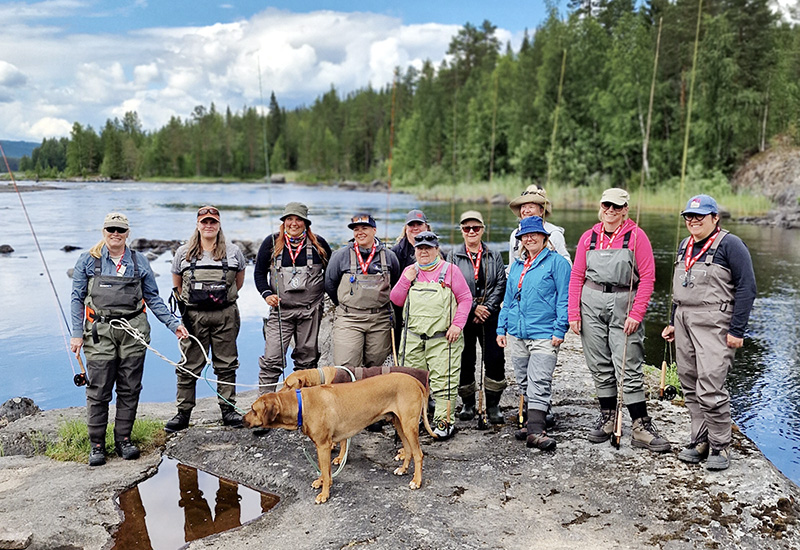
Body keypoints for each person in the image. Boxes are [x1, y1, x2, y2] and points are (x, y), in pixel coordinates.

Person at [70, 212, 188, 466]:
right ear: (104, 231)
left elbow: (153, 298)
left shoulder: (140, 261)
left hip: (134, 332)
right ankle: (97, 445)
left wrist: (173, 325)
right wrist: (76, 334)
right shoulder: (87, 261)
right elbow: (77, 299)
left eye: (120, 230)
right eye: (111, 229)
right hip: (98, 333)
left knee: (129, 388)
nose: (116, 234)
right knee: (98, 390)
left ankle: (124, 439)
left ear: (127, 233)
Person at [568, 188, 670, 453]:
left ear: (625, 209)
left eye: (616, 207)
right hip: (591, 302)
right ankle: (607, 417)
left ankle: (640, 425)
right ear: (600, 207)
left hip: (625, 303)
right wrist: (573, 313)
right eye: (606, 205)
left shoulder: (637, 237)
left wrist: (637, 313)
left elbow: (647, 278)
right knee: (599, 364)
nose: (610, 211)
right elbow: (577, 275)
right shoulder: (588, 238)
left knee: (628, 364)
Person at [661, 195, 756, 471]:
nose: (693, 221)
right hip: (684, 320)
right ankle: (699, 439)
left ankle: (720, 445)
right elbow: (679, 290)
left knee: (711, 385)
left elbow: (747, 288)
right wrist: (671, 322)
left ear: (715, 218)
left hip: (716, 322)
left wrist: (737, 330)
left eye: (700, 216)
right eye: (689, 217)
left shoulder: (731, 245)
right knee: (689, 383)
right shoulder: (684, 245)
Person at [166, 206, 247, 433]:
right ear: (198, 225)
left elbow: (238, 282)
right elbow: (177, 284)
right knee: (188, 366)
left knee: (227, 364)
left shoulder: (233, 252)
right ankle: (183, 413)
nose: (208, 226)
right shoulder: (183, 253)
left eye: (213, 222)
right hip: (193, 317)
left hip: (226, 315)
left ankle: (228, 409)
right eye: (204, 222)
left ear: (219, 224)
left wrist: (220, 300)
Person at [496, 217, 571, 449]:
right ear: (520, 240)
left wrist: (560, 328)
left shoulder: (558, 263)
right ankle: (532, 423)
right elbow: (508, 300)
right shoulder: (517, 266)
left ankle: (536, 432)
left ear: (544, 237)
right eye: (525, 236)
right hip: (518, 333)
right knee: (524, 380)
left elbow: (564, 299)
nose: (529, 238)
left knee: (539, 380)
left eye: (534, 234)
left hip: (544, 333)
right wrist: (501, 327)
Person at [390, 231, 472, 440]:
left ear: (436, 250)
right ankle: (412, 421)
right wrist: (405, 280)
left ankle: (444, 424)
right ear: (415, 250)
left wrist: (457, 325)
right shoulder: (410, 271)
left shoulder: (450, 271)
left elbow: (465, 299)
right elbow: (396, 300)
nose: (424, 251)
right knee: (410, 382)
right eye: (420, 248)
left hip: (443, 338)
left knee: (444, 382)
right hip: (414, 338)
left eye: (428, 247)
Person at [254, 202, 331, 394]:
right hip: (281, 311)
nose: (294, 223)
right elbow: (259, 274)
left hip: (310, 312)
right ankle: (265, 406)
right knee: (271, 359)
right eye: (289, 219)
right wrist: (267, 294)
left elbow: (332, 274)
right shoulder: (270, 243)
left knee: (307, 361)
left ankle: (304, 406)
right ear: (284, 222)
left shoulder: (319, 244)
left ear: (306, 223)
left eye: (298, 219)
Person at [447, 210, 507, 424]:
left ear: (482, 230)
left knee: (495, 359)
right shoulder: (452, 255)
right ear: (462, 231)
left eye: (476, 228)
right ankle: (468, 404)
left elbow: (501, 283)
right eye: (466, 228)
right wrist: (473, 308)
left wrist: (487, 307)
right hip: (464, 315)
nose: (471, 232)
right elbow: (451, 285)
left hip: (490, 315)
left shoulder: (495, 255)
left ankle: (493, 405)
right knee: (465, 359)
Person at [324, 213, 400, 368]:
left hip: (380, 320)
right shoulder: (340, 256)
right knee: (346, 367)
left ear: (374, 230)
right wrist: (345, 305)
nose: (360, 232)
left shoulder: (390, 257)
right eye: (356, 229)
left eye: (364, 228)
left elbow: (396, 285)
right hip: (349, 319)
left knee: (377, 367)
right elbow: (329, 284)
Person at [391, 209, 433, 354]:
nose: (415, 228)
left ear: (427, 227)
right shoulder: (394, 253)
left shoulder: (439, 253)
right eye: (411, 224)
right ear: (406, 229)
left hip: (429, 312)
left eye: (419, 224)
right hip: (402, 313)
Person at [508, 184, 571, 266]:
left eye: (531, 207)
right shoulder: (515, 235)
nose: (526, 211)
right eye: (523, 207)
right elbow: (511, 267)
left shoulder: (554, 233)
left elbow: (567, 265)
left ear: (541, 211)